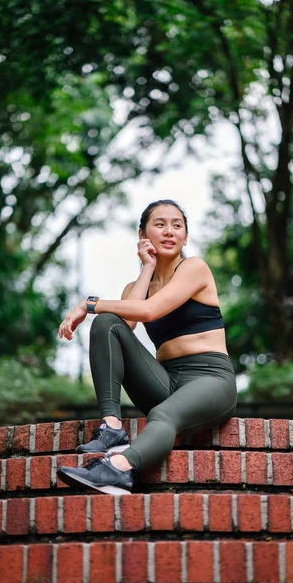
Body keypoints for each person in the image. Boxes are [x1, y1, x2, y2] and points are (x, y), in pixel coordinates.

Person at [57, 199, 237, 495]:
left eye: (177, 225)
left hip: (210, 378)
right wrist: (147, 267)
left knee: (163, 416)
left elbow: (152, 310)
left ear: (185, 237)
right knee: (107, 322)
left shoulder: (195, 268)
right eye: (159, 224)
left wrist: (88, 304)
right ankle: (112, 426)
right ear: (143, 235)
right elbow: (125, 324)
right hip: (165, 380)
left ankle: (119, 469)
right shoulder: (138, 286)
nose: (169, 231)